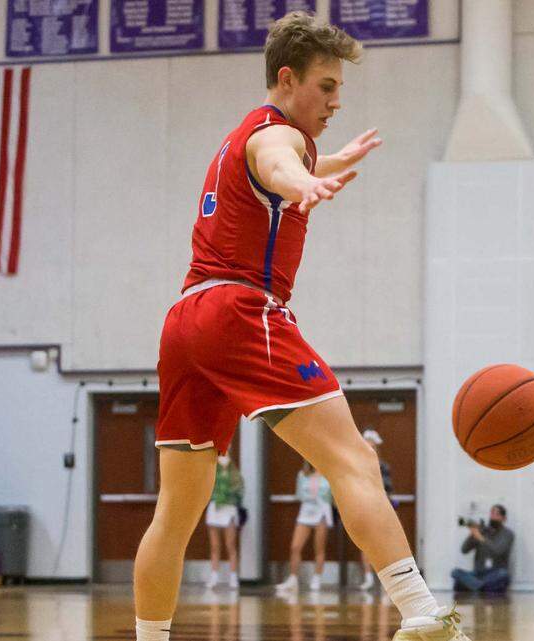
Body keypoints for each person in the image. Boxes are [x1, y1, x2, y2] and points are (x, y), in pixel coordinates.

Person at [132, 12, 469, 641]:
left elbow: (279, 161)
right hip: (240, 311)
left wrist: (326, 162)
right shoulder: (275, 139)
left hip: (185, 320)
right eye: (326, 86)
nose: (337, 100)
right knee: (353, 459)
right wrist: (305, 181)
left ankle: (151, 638)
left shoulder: (246, 136)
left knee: (175, 514)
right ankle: (421, 610)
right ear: (286, 79)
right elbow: (280, 163)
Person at [276, 462, 333, 594]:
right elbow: (299, 494)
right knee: (295, 546)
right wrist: (311, 497)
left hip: (322, 512)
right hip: (306, 511)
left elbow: (330, 496)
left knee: (319, 548)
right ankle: (293, 579)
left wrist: (320, 498)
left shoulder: (328, 473)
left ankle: (317, 578)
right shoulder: (302, 474)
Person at [358, 428, 392, 591]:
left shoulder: (383, 466)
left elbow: (387, 487)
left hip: (381, 508)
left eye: (372, 445)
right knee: (366, 544)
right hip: (364, 507)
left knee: (383, 545)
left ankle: (386, 579)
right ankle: (368, 577)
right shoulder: (356, 464)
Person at [451, 505, 514, 594]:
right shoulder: (483, 531)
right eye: (492, 513)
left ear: (504, 518)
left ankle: (474, 586)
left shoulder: (508, 534)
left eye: (496, 514)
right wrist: (472, 535)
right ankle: (482, 587)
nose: (493, 516)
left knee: (503, 575)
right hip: (479, 573)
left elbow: (498, 551)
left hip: (495, 573)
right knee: (455, 572)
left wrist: (481, 538)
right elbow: (464, 550)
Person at [204, 454, 245, 590]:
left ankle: (233, 576)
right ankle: (214, 575)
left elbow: (239, 490)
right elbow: (207, 488)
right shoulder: (213, 469)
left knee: (230, 545)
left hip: (229, 509)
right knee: (215, 546)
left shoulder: (234, 472)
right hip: (215, 508)